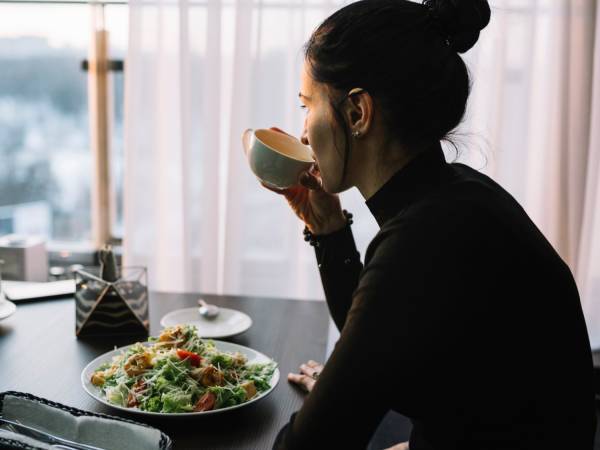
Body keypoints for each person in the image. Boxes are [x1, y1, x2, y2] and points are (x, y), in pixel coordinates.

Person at [266, 0, 597, 449]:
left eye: (308, 105)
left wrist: (340, 397)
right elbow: (384, 338)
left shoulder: (425, 238)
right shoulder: (458, 195)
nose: (302, 133)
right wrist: (328, 229)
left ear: (358, 113)